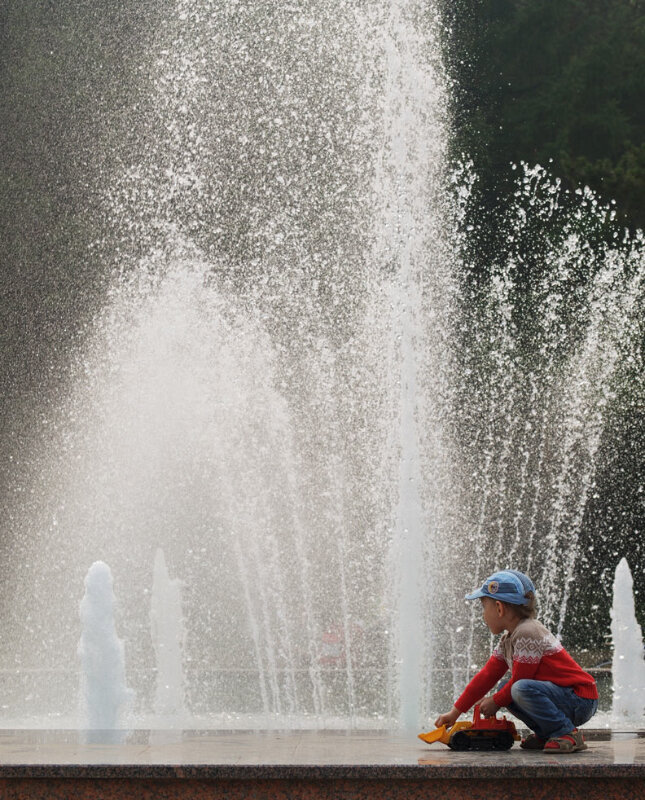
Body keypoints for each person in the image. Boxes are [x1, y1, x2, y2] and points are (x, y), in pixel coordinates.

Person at [435, 569, 598, 753]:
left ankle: (566, 733)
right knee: (506, 687)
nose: (482, 616)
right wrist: (455, 712)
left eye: (483, 607)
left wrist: (495, 701)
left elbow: (521, 679)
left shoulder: (528, 632)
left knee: (518, 689)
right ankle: (547, 733)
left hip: (580, 699)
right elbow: (486, 676)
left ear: (499, 608)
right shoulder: (509, 639)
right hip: (564, 697)